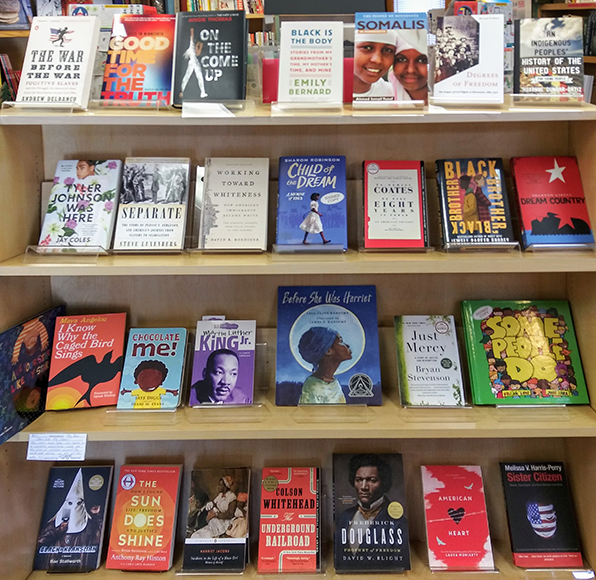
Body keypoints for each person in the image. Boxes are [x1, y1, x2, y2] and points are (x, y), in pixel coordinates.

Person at [335, 454, 402, 556]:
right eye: (359, 480)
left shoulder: (398, 523)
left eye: (372, 480)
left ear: (383, 482)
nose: (363, 487)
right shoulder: (344, 517)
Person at [297, 327, 351, 404]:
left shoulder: (334, 384)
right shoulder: (313, 387)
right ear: (328, 351)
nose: (347, 345)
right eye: (341, 341)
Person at [353, 30, 397, 100]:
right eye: (367, 47)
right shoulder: (332, 93)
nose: (377, 60)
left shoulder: (393, 95)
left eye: (387, 50)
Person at [389, 30, 428, 104]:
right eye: (401, 59)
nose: (410, 70)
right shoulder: (384, 93)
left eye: (422, 60)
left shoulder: (451, 96)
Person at [180, 28, 208, 100]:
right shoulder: (191, 45)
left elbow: (198, 53)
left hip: (195, 62)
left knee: (199, 77)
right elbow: (191, 38)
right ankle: (182, 90)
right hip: (192, 62)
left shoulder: (195, 48)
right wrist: (192, 31)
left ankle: (202, 92)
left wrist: (200, 46)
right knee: (188, 76)